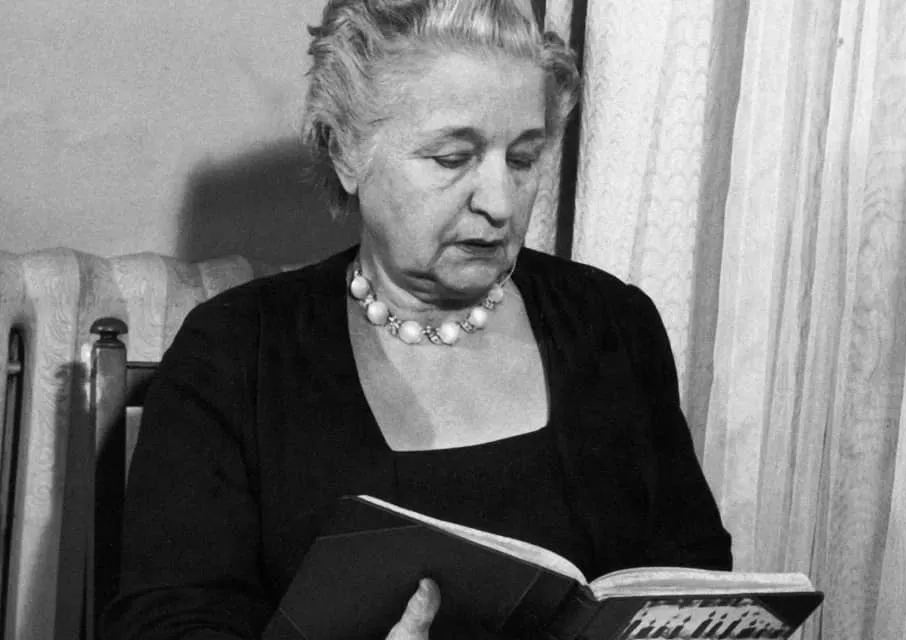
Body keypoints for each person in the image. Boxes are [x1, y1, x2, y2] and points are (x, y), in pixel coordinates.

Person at [100, 0, 731, 638]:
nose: (500, 203)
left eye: (522, 159)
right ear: (348, 152)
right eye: (452, 158)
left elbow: (695, 575)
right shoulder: (233, 353)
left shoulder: (614, 324)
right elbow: (169, 623)